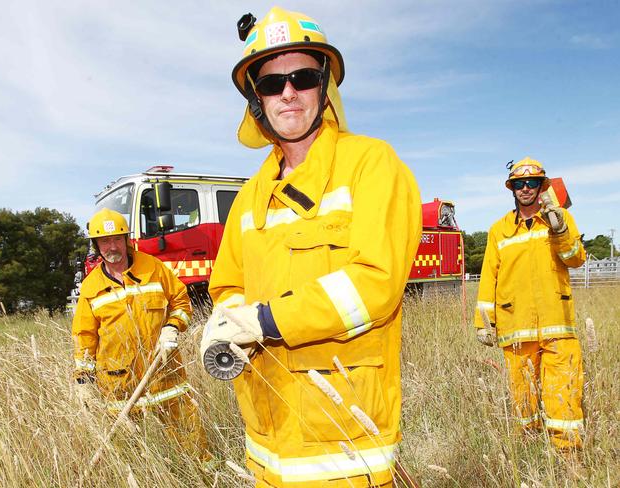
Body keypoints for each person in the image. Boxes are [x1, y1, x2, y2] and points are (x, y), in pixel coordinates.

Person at [199, 7, 422, 487]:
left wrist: (265, 321)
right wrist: (229, 320)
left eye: (301, 77)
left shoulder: (373, 165)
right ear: (255, 100)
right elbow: (228, 282)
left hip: (344, 433)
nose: (288, 94)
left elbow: (376, 282)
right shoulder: (250, 196)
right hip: (266, 433)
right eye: (270, 83)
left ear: (324, 86)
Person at [72, 208, 207, 453]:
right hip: (118, 380)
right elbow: (85, 335)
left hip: (163, 372)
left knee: (189, 438)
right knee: (129, 450)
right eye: (105, 241)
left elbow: (181, 300)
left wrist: (172, 327)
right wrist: (83, 380)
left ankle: (205, 475)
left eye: (116, 239)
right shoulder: (91, 287)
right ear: (96, 246)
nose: (112, 247)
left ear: (126, 240)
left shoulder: (153, 267)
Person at [474, 158, 586, 452]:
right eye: (519, 184)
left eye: (532, 183)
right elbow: (489, 277)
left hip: (557, 324)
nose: (525, 188)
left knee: (563, 391)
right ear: (511, 188)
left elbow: (576, 258)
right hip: (515, 326)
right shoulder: (498, 230)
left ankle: (567, 456)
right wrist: (483, 322)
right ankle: (531, 451)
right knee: (523, 396)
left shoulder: (559, 219)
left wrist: (559, 230)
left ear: (542, 186)